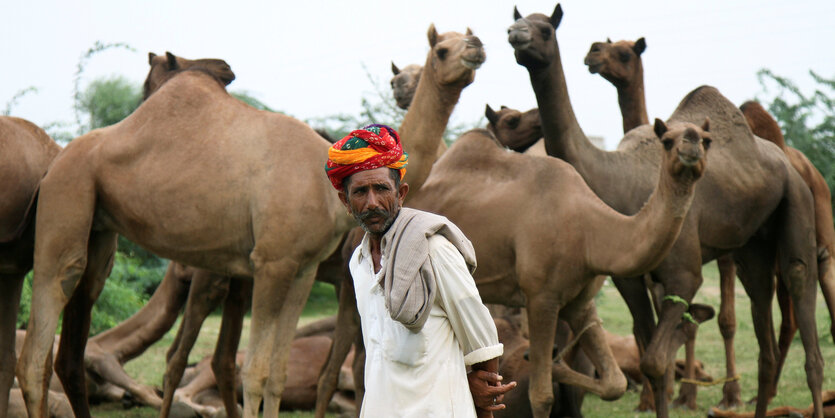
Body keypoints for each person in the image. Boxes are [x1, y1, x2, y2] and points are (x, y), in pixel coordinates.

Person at [325, 124, 516, 417]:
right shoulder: (359, 263)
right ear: (346, 202)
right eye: (361, 192)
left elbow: (483, 340)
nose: (372, 202)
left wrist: (483, 405)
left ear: (400, 193)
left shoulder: (435, 251)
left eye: (381, 189)